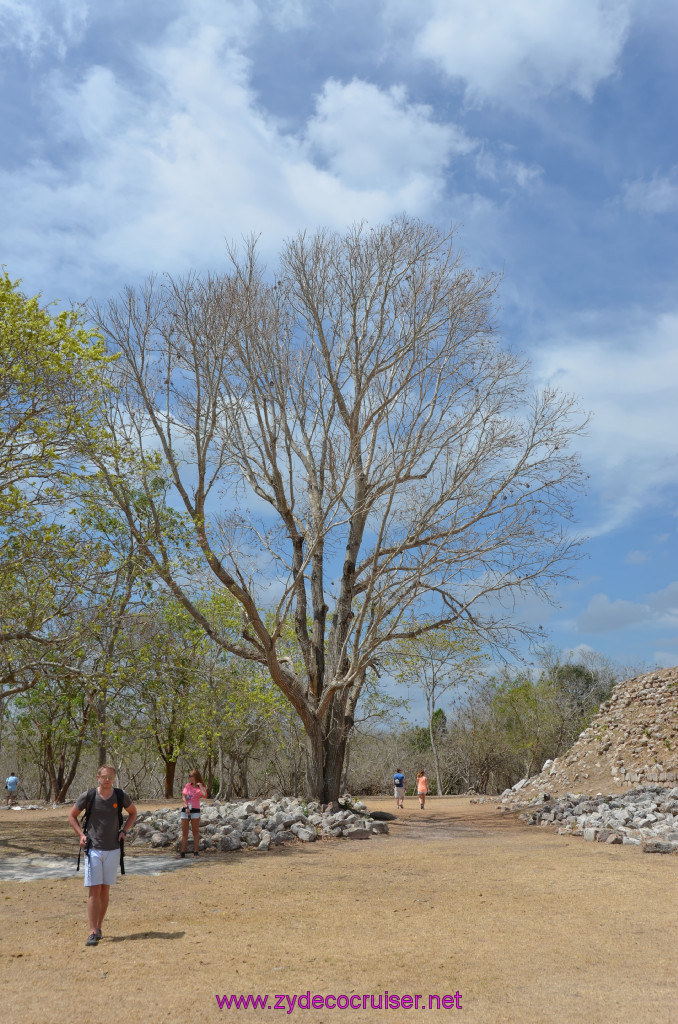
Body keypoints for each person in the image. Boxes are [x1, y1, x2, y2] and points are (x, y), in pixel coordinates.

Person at [68, 765, 137, 947]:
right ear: (98, 777)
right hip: (94, 849)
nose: (107, 780)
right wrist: (81, 835)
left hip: (113, 849)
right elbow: (72, 816)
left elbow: (133, 813)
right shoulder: (89, 796)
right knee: (94, 889)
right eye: (104, 776)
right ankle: (91, 931)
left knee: (105, 889)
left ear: (114, 778)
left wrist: (124, 831)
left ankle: (99, 927)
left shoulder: (120, 795)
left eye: (111, 777)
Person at [177, 769, 208, 858]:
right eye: (189, 776)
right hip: (186, 810)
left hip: (195, 810)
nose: (189, 777)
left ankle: (196, 852)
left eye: (190, 776)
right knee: (184, 832)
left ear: (195, 777)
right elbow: (183, 797)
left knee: (195, 831)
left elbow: (204, 795)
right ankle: (182, 853)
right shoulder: (187, 786)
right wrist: (186, 807)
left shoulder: (200, 787)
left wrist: (201, 786)